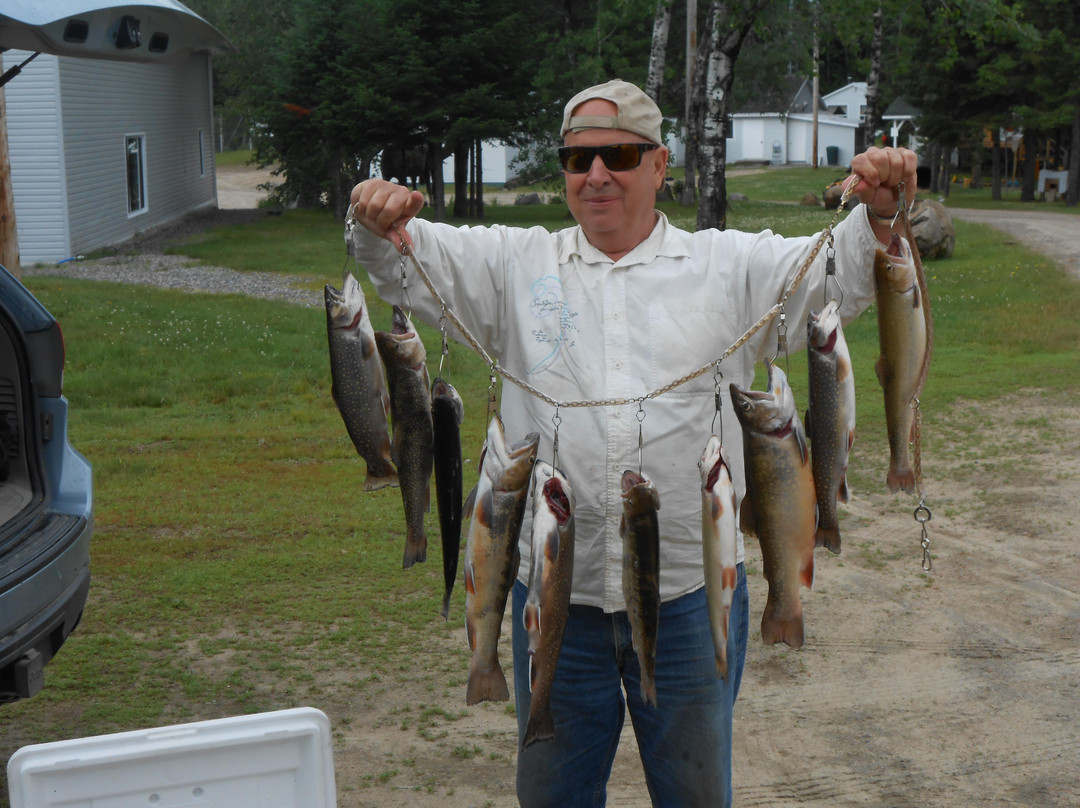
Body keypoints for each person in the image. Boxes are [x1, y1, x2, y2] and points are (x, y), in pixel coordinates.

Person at [349, 79, 917, 808]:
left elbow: (833, 272)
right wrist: (376, 213)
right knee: (553, 795)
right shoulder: (513, 265)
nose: (596, 175)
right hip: (554, 597)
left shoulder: (728, 266)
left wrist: (878, 212)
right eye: (576, 158)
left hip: (692, 594)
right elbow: (405, 255)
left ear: (659, 163)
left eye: (618, 155)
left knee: (695, 793)